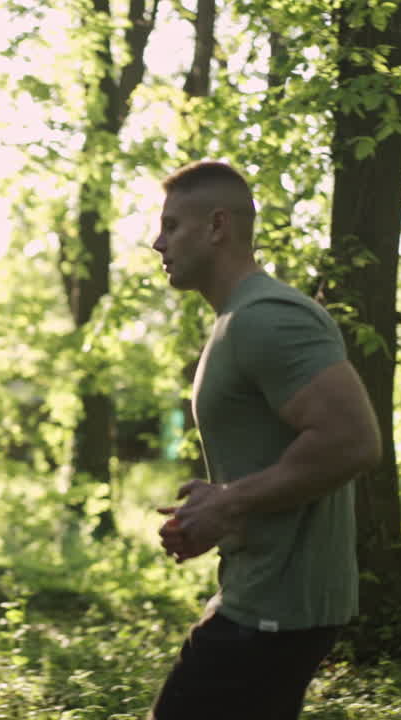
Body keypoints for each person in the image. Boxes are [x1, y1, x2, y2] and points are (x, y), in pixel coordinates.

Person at [146, 161, 382, 720]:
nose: (158, 242)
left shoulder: (268, 318)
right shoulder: (236, 321)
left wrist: (229, 502)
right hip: (260, 595)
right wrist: (222, 511)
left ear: (217, 226)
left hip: (279, 607)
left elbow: (352, 441)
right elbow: (284, 456)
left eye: (172, 225)